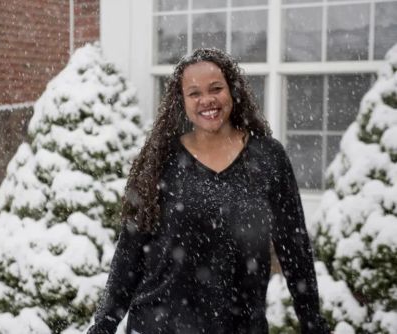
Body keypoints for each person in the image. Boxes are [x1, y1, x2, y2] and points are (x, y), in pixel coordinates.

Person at [87, 48, 330, 334]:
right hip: (160, 324)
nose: (207, 100)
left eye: (216, 88)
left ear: (233, 90)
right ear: (182, 101)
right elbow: (129, 252)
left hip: (241, 326)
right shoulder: (161, 160)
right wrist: (104, 324)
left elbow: (294, 247)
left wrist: (313, 321)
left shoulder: (268, 158)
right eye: (194, 93)